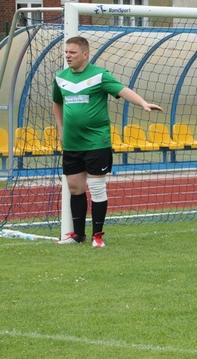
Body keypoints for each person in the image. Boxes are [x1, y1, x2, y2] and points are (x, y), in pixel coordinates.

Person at [53, 36, 162, 247]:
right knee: (75, 189)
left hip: (96, 142)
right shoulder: (60, 78)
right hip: (72, 143)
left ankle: (97, 236)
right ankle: (78, 235)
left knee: (96, 187)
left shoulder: (99, 75)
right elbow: (57, 102)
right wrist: (60, 127)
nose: (68, 56)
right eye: (66, 52)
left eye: (72, 52)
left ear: (85, 54)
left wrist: (142, 103)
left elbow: (123, 90)